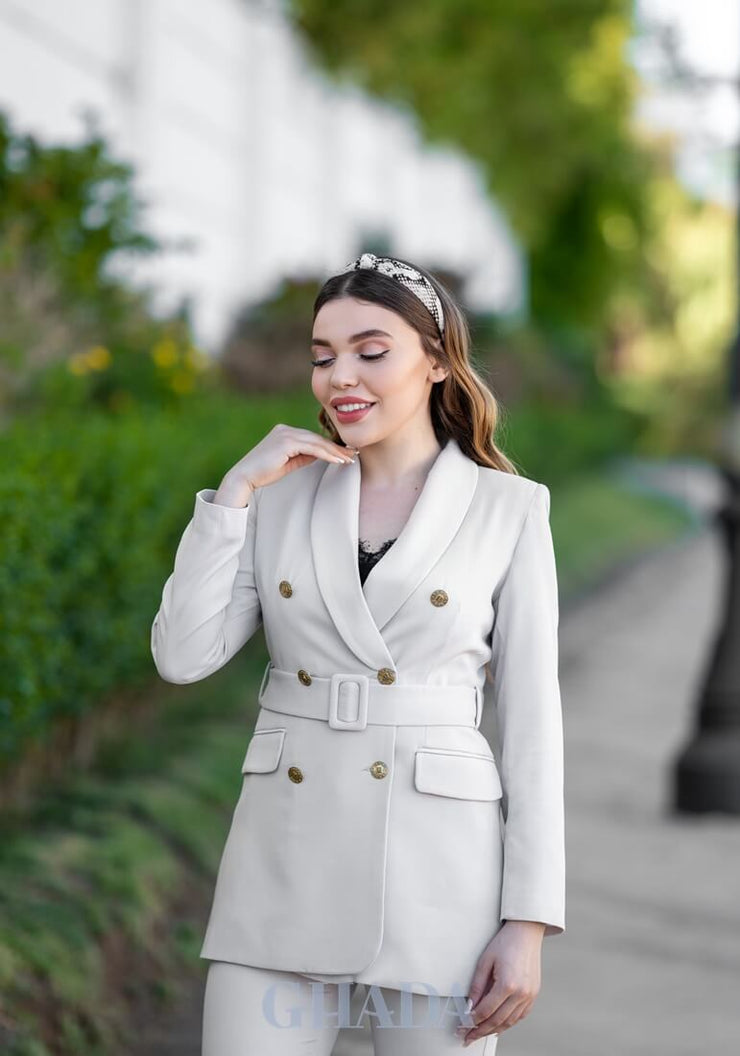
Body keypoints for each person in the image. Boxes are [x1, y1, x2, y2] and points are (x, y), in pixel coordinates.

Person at [150, 252, 566, 1054]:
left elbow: (531, 725)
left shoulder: (509, 509)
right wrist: (233, 494)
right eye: (322, 356)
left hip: (439, 878)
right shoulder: (279, 493)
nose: (342, 376)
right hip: (283, 864)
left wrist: (529, 921)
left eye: (371, 351)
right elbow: (182, 655)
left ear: (437, 361)